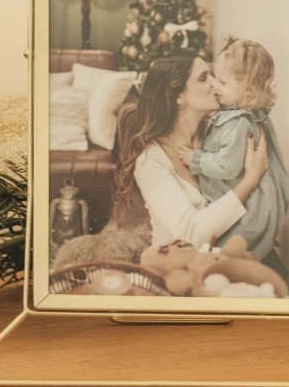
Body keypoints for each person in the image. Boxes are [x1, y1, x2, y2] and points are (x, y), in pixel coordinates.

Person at [114, 54, 269, 250]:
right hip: (174, 262)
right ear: (178, 96)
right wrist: (251, 179)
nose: (215, 83)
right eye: (203, 78)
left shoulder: (223, 133)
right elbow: (191, 234)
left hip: (224, 256)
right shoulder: (150, 160)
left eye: (212, 75)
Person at [178, 36, 289, 276]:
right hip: (240, 193)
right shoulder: (234, 113)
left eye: (222, 82)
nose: (215, 86)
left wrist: (196, 159)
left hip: (245, 208)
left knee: (226, 251)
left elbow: (227, 167)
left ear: (247, 90)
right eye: (214, 77)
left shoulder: (238, 123)